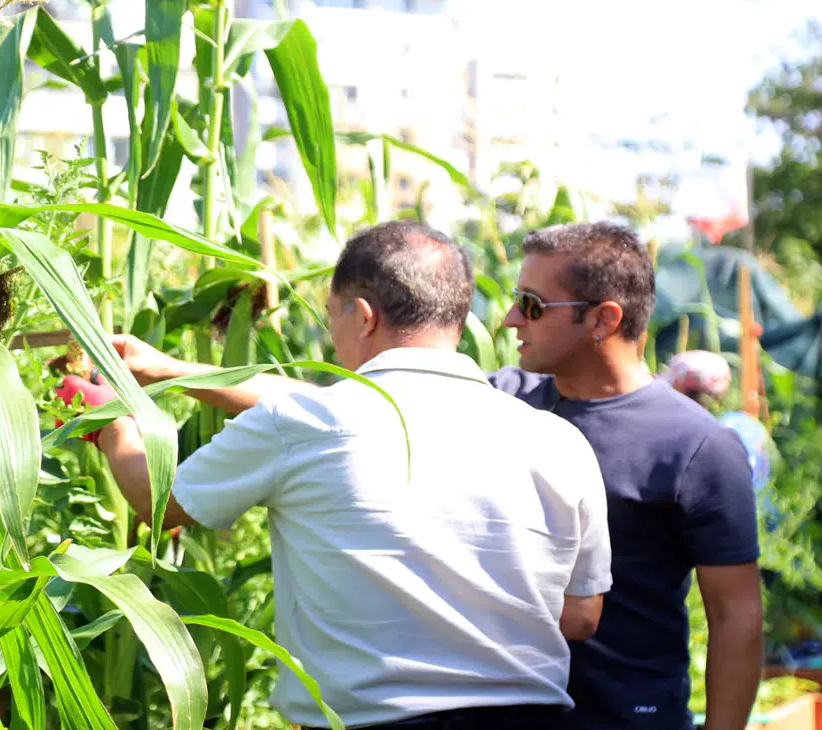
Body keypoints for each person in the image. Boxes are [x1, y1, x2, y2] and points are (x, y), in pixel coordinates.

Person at [57, 221, 612, 730]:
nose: (330, 336)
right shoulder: (559, 441)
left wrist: (114, 425)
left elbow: (159, 500)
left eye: (331, 315)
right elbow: (581, 615)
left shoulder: (302, 424)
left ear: (363, 315)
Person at [490, 222, 763, 730]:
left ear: (603, 318)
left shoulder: (695, 446)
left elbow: (735, 617)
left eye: (531, 303)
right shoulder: (503, 404)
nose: (510, 319)